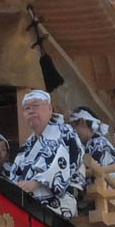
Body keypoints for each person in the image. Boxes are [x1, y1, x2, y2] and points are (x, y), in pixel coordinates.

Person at [10, 90, 85, 219]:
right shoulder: (26, 146)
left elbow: (65, 163)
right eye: (27, 108)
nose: (31, 111)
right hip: (29, 205)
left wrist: (36, 182)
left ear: (50, 109)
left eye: (36, 106)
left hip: (58, 202)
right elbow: (15, 174)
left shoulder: (65, 131)